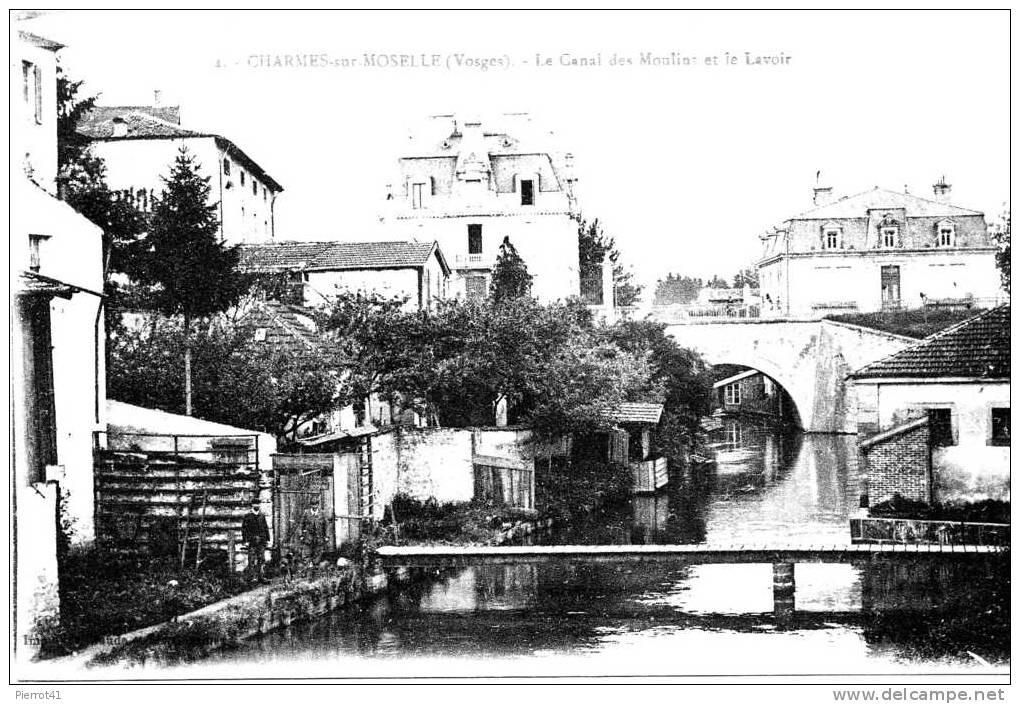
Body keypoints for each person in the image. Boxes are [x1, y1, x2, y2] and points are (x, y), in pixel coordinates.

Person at [241, 501, 270, 583]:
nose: (257, 505)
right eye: (255, 504)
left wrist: (267, 539)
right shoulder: (248, 516)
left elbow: (265, 528)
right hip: (252, 541)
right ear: (252, 505)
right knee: (252, 559)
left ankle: (261, 577)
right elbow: (244, 530)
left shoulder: (262, 516)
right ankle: (252, 577)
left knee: (261, 559)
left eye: (258, 504)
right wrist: (246, 540)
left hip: (261, 541)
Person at [298, 504, 329, 569]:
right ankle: (308, 566)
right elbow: (301, 524)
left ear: (318, 505)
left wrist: (327, 536)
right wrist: (301, 535)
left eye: (316, 505)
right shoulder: (306, 513)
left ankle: (315, 566)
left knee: (318, 551)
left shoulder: (322, 513)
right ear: (310, 505)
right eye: (313, 505)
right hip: (308, 536)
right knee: (307, 551)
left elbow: (326, 525)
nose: (314, 507)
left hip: (319, 536)